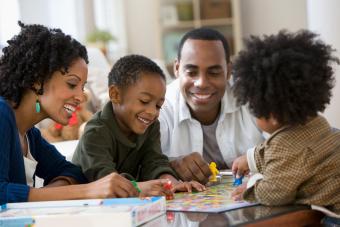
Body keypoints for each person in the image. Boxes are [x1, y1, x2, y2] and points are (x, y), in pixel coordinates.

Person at [0, 22, 146, 204]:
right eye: (71, 84)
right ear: (37, 80)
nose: (81, 96)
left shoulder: (29, 134)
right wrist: (86, 191)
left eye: (83, 87)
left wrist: (53, 193)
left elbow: (72, 172)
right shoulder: (2, 114)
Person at [230, 30, 340, 221]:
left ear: (271, 115)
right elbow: (281, 151)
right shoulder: (317, 122)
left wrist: (251, 186)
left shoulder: (284, 148)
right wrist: (250, 158)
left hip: (331, 216)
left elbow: (275, 194)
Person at [72, 54, 205, 196]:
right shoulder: (95, 133)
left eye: (158, 106)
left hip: (127, 205)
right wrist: (141, 187)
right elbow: (107, 181)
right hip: (88, 209)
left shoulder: (151, 126)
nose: (153, 112)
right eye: (144, 101)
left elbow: (154, 162)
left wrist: (172, 183)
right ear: (115, 94)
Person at [159, 28, 264, 184]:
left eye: (213, 73)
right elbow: (141, 164)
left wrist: (257, 157)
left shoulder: (252, 96)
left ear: (228, 71)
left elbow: (289, 143)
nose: (201, 83)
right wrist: (172, 164)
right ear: (176, 68)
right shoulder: (160, 106)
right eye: (191, 72)